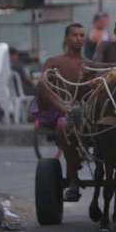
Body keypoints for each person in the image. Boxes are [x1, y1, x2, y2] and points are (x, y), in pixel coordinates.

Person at [36, 23, 87, 201]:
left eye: (82, 35)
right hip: (60, 112)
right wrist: (65, 108)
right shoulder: (54, 61)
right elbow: (43, 85)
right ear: (66, 38)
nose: (79, 39)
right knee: (65, 126)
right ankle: (73, 181)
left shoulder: (87, 64)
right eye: (75, 35)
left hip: (85, 114)